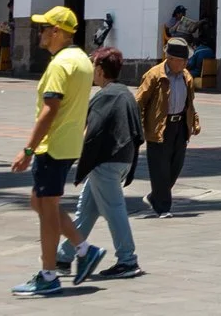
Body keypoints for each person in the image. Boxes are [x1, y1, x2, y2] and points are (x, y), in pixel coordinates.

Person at [10, 6, 101, 295]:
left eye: (43, 28)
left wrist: (28, 148)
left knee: (46, 209)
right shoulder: (82, 61)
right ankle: (84, 249)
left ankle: (49, 275)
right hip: (69, 144)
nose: (40, 33)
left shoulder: (60, 65)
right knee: (38, 202)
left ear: (57, 32)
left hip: (52, 147)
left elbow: (50, 110)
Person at [55, 48, 143, 280]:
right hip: (122, 160)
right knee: (87, 209)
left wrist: (72, 155)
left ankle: (127, 260)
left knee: (114, 210)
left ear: (101, 70)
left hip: (106, 163)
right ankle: (63, 257)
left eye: (93, 66)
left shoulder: (104, 96)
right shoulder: (124, 92)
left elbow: (90, 132)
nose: (91, 72)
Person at [135, 36, 200, 217]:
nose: (185, 64)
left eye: (186, 60)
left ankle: (155, 196)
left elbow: (190, 101)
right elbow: (139, 102)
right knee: (160, 168)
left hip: (179, 126)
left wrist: (193, 119)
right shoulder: (154, 75)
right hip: (159, 128)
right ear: (170, 59)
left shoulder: (186, 76)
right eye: (182, 61)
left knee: (175, 166)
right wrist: (139, 127)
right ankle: (163, 208)